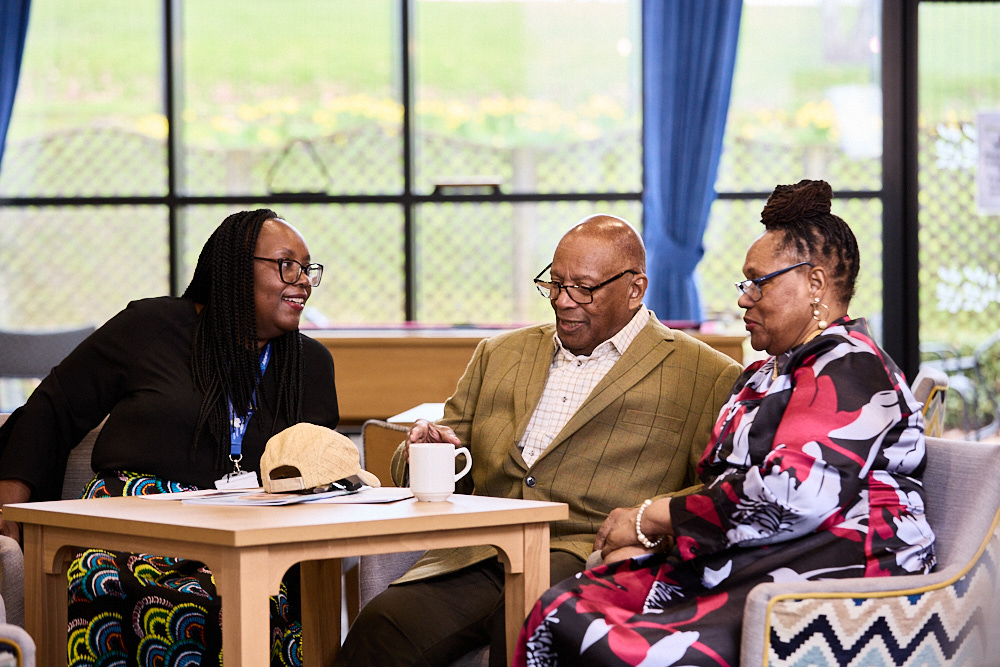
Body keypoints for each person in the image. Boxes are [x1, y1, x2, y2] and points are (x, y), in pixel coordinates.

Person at [514, 180, 937, 667]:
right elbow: (723, 484)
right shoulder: (765, 373)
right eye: (744, 283)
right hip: (759, 559)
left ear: (815, 284)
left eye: (759, 282)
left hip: (831, 575)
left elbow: (793, 494)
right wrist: (655, 535)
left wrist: (651, 517)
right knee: (563, 607)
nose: (744, 299)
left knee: (598, 636)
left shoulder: (849, 365)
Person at [336, 214, 744, 667]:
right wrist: (425, 451)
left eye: (583, 289)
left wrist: (646, 521)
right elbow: (436, 455)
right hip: (477, 554)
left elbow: (715, 491)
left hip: (585, 555)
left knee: (522, 629)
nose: (563, 301)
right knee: (380, 628)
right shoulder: (499, 353)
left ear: (635, 288)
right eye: (555, 283)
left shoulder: (707, 375)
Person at [0, 209, 339, 667]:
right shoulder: (150, 326)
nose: (303, 281)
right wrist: (9, 511)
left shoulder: (309, 365)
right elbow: (51, 409)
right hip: (121, 525)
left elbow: (322, 472)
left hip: (240, 539)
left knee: (216, 603)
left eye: (307, 269)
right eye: (286, 265)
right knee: (100, 577)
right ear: (237, 268)